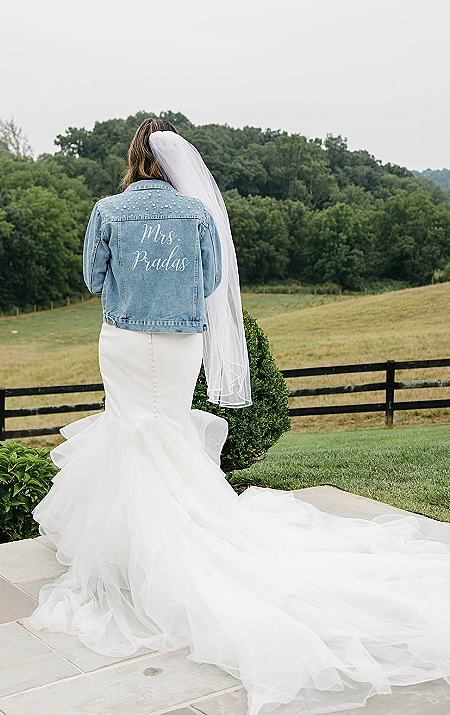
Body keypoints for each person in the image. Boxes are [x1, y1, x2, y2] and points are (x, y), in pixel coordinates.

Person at [29, 119, 450, 715]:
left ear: (133, 159)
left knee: (129, 428)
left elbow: (92, 278)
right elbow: (212, 281)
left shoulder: (108, 210)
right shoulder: (198, 216)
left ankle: (133, 548)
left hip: (123, 339)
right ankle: (177, 529)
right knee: (169, 427)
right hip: (179, 345)